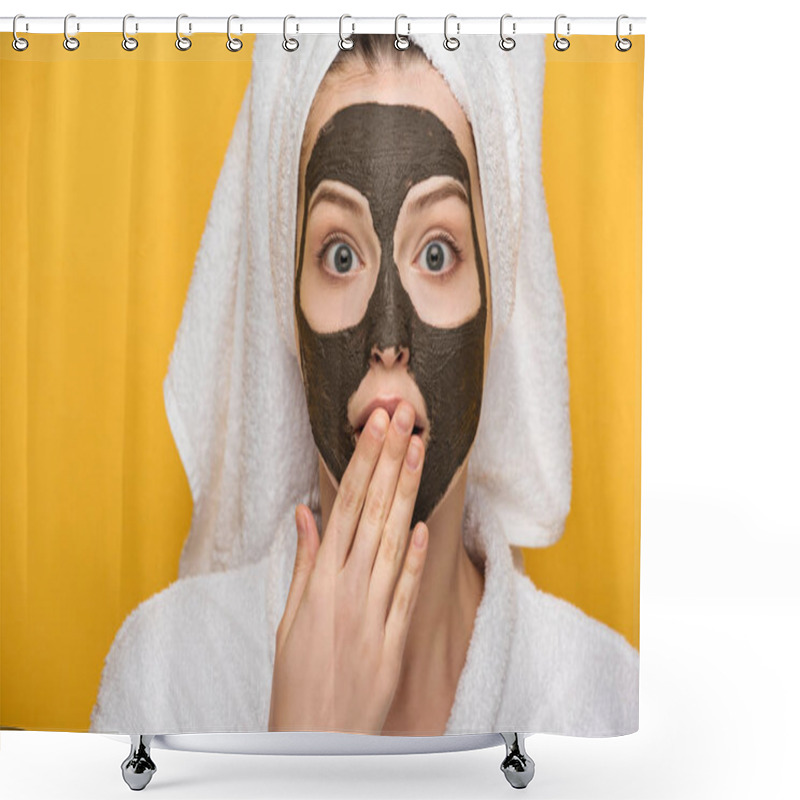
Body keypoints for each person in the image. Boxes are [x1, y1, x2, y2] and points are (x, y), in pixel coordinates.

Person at [89, 33, 638, 738]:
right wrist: (305, 744)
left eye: (437, 253)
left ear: (495, 297)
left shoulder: (604, 703)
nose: (388, 338)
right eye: (339, 254)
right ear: (286, 311)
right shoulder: (164, 679)